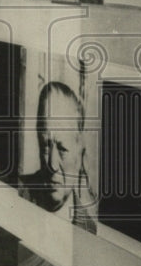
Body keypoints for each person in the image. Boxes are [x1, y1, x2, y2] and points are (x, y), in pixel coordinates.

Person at [19, 80, 97, 230]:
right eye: (46, 146)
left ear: (79, 151)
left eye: (62, 149)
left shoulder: (89, 230)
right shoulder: (14, 195)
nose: (52, 165)